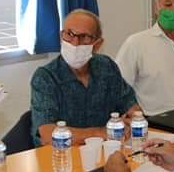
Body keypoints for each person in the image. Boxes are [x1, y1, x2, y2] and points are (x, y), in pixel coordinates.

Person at [30, 9, 140, 146]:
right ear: (61, 36)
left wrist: (132, 119)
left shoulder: (107, 67)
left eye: (85, 37)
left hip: (105, 150)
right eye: (69, 34)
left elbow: (131, 106)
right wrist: (100, 133)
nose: (75, 42)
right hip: (61, 155)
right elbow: (47, 134)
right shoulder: (45, 77)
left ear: (97, 44)